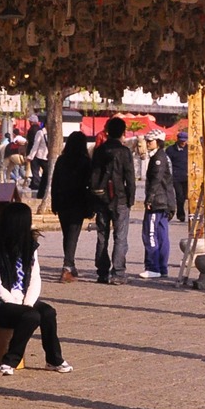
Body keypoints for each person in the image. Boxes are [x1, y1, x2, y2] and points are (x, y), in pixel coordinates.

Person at [0, 203, 73, 374]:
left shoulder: (30, 245)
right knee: (30, 316)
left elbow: (35, 277)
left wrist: (27, 303)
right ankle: (10, 360)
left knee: (47, 312)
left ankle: (54, 359)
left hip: (23, 300)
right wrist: (17, 305)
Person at [89, 116, 136, 285]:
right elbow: (130, 178)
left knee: (102, 236)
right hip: (120, 198)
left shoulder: (100, 151)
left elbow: (93, 175)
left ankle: (102, 272)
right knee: (120, 236)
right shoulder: (124, 152)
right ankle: (118, 272)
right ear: (123, 132)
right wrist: (131, 198)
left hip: (102, 199)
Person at [50, 131, 93, 283]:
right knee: (73, 236)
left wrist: (54, 203)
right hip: (78, 202)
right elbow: (90, 184)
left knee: (67, 234)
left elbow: (54, 183)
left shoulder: (61, 160)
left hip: (62, 201)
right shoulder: (85, 161)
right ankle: (67, 267)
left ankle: (70, 264)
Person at [139, 130, 176, 279]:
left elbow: (156, 179)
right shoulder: (164, 156)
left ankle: (153, 266)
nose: (148, 143)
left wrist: (149, 199)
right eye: (147, 140)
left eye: (151, 141)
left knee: (151, 234)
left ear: (158, 141)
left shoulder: (158, 158)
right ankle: (162, 267)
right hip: (165, 201)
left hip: (158, 201)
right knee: (162, 235)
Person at [166, 131, 190, 221]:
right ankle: (181, 214)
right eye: (181, 141)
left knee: (185, 196)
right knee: (179, 196)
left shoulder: (189, 149)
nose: (183, 143)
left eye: (184, 141)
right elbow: (167, 163)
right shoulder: (170, 150)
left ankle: (186, 213)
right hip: (176, 177)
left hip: (187, 177)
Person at [27, 121, 50, 194]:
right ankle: (39, 187)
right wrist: (31, 156)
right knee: (44, 172)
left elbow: (35, 145)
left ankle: (39, 187)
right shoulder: (42, 133)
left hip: (44, 156)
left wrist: (30, 156)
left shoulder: (45, 133)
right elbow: (36, 145)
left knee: (42, 173)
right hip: (42, 156)